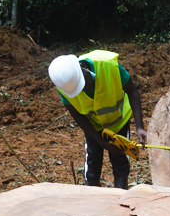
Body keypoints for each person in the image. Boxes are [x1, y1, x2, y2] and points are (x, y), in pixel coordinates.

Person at [48, 50, 147, 189]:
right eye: (78, 89)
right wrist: (101, 142)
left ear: (82, 68)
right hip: (93, 126)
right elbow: (77, 116)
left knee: (120, 165)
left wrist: (139, 127)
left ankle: (121, 196)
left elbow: (132, 91)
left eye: (84, 83)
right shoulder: (65, 87)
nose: (83, 90)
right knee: (92, 163)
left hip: (118, 122)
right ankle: (92, 196)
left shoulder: (108, 65)